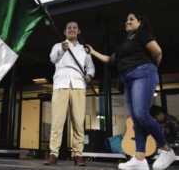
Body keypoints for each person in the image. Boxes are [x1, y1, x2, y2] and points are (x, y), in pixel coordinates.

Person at [84, 11, 175, 170]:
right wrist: (92, 51)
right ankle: (140, 159)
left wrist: (152, 68)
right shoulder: (125, 42)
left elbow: (157, 52)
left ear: (140, 22)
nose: (127, 22)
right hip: (126, 80)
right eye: (126, 20)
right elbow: (110, 60)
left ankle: (166, 150)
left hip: (142, 73)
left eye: (131, 19)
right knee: (136, 119)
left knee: (142, 114)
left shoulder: (142, 33)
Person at [44, 22, 95, 166]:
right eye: (69, 28)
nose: (71, 30)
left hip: (78, 86)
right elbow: (52, 59)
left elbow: (90, 67)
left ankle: (78, 155)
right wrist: (62, 49)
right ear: (65, 32)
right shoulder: (57, 46)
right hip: (61, 85)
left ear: (78, 31)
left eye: (74, 28)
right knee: (57, 122)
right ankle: (54, 154)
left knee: (78, 123)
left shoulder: (84, 49)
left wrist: (89, 75)